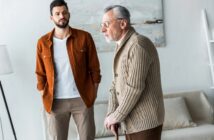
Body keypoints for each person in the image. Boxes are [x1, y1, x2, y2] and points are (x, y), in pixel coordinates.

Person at [35, 0, 101, 140]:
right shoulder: (43, 42)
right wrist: (44, 94)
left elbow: (94, 68)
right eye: (57, 13)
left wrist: (93, 93)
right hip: (55, 102)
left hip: (82, 99)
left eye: (64, 12)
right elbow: (40, 73)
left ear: (69, 14)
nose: (61, 16)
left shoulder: (84, 37)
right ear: (51, 17)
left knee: (87, 137)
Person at [101, 5, 165, 140]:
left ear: (123, 23)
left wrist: (116, 116)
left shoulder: (139, 44)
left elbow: (134, 88)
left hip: (145, 124)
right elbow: (115, 84)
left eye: (106, 24)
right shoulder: (122, 46)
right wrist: (111, 114)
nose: (102, 30)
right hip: (130, 123)